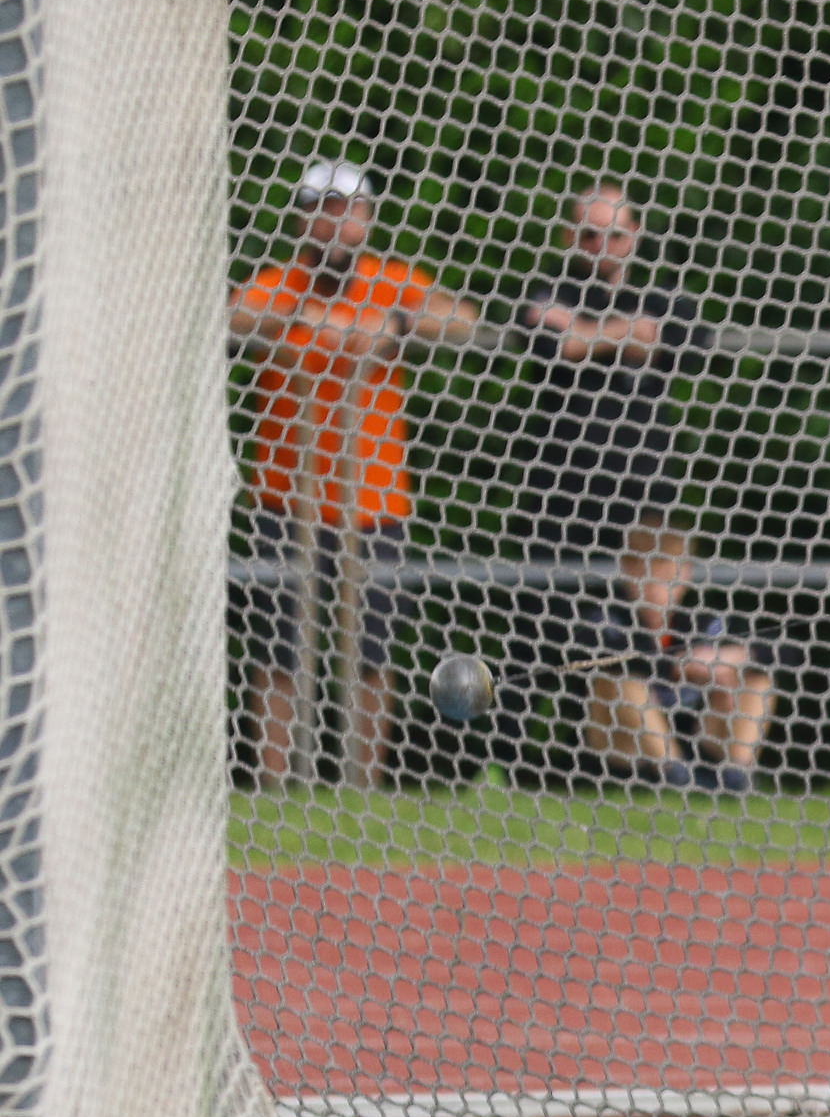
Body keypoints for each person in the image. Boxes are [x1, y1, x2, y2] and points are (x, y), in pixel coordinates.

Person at [229, 159, 481, 786]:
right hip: (284, 500)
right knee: (280, 652)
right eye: (322, 211)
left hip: (376, 504)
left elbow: (463, 320)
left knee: (371, 654)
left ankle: (363, 792)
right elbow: (232, 317)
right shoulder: (279, 283)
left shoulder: (389, 282)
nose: (334, 225)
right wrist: (299, 319)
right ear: (301, 219)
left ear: (367, 220)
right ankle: (274, 789)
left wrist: (393, 324)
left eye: (347, 212)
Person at [517, 183, 706, 557]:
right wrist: (628, 332)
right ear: (569, 236)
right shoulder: (549, 290)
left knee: (648, 589)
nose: (603, 246)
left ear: (634, 233)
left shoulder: (659, 294)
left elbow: (682, 343)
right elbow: (554, 346)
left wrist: (582, 334)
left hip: (642, 484)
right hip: (563, 490)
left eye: (615, 235)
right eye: (590, 235)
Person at [580, 523, 770, 794]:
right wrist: (681, 664)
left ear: (685, 573)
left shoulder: (702, 620)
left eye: (667, 576)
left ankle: (736, 776)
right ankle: (673, 774)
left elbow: (784, 653)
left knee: (755, 681)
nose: (657, 589)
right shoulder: (605, 618)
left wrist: (728, 659)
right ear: (627, 571)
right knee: (622, 684)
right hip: (626, 749)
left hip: (699, 736)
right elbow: (616, 659)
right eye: (647, 576)